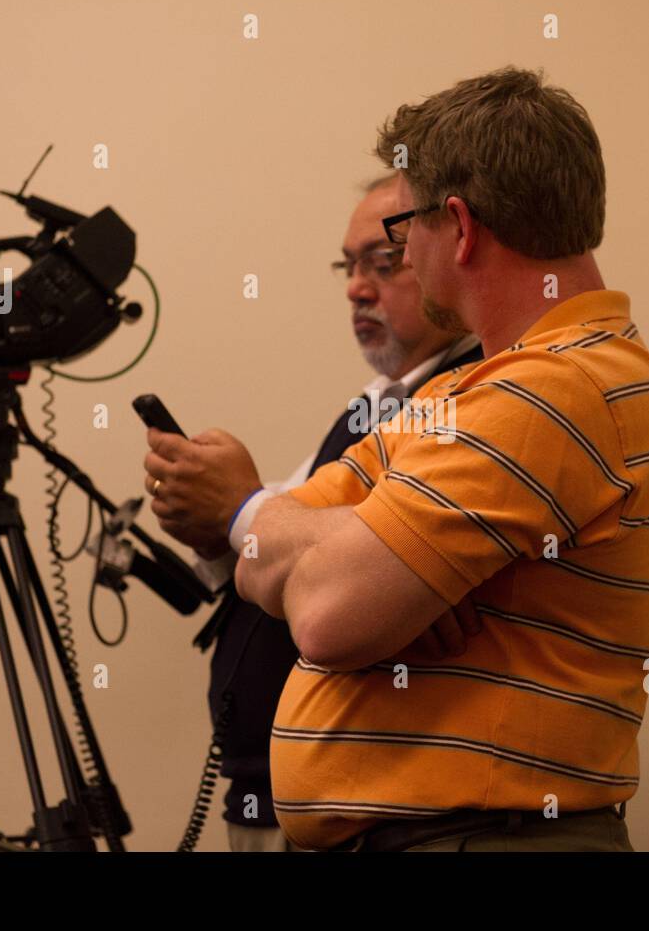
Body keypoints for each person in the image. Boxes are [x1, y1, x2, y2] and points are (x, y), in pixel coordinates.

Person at [150, 66, 649, 851]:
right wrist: (356, 553)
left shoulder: (554, 388)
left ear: (458, 226)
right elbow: (265, 566)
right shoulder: (474, 389)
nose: (381, 270)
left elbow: (326, 616)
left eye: (400, 238)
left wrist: (295, 534)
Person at [147, 172, 480, 851]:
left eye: (384, 264)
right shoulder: (373, 406)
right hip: (272, 789)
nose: (358, 288)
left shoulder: (460, 402)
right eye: (348, 266)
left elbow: (347, 570)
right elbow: (278, 545)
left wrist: (239, 502)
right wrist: (212, 524)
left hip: (359, 809)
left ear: (445, 248)